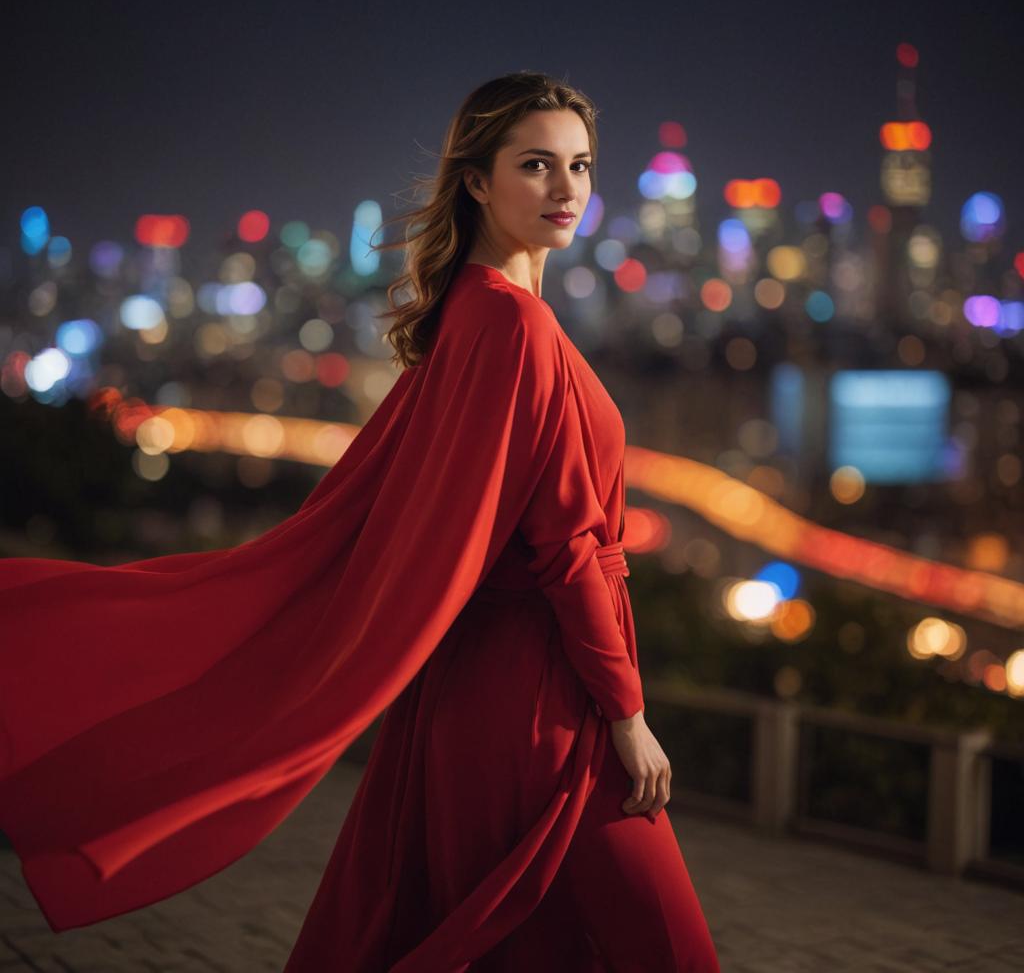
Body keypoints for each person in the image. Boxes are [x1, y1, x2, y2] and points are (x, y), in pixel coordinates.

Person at [0, 71, 720, 971]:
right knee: (660, 948)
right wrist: (627, 714)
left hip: (475, 691)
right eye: (536, 165)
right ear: (478, 180)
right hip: (541, 698)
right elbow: (567, 548)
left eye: (579, 165)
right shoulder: (513, 328)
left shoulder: (478, 312)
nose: (566, 188)